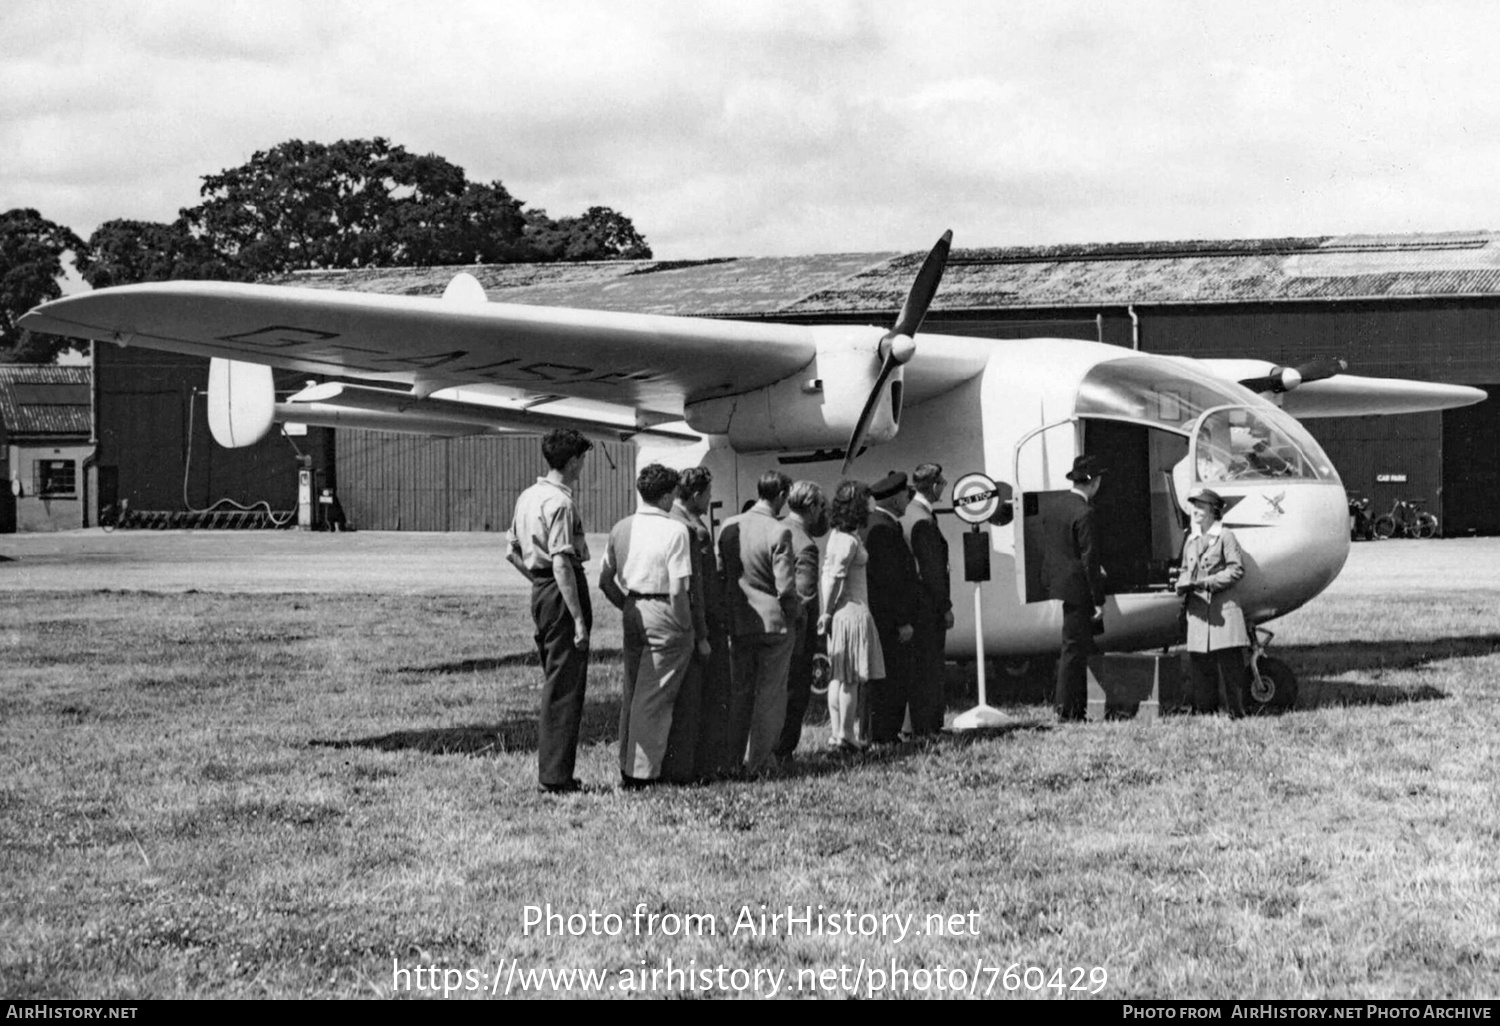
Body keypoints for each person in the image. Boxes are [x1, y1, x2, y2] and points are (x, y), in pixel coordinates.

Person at [506, 428, 594, 793]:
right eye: (582, 460)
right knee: (565, 685)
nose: (583, 466)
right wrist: (576, 617)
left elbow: (512, 550)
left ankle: (554, 770)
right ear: (573, 461)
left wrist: (539, 583)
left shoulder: (528, 496)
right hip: (560, 588)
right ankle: (556, 776)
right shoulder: (560, 502)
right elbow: (561, 561)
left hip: (542, 590)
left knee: (555, 678)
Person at [599, 463, 696, 788]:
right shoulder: (675, 531)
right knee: (654, 698)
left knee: (634, 689)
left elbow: (605, 580)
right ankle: (641, 773)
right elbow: (679, 588)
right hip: (664, 608)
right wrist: (686, 625)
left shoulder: (621, 527)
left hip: (633, 606)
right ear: (667, 495)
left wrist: (626, 604)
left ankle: (628, 762)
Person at [718, 471, 797, 775]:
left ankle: (731, 759)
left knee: (740, 693)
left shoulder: (729, 526)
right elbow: (786, 587)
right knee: (769, 694)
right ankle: (761, 762)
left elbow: (722, 574)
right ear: (781, 496)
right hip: (774, 624)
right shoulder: (778, 531)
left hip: (740, 622)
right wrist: (793, 616)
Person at [661, 466, 718, 783]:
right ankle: (690, 766)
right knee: (695, 699)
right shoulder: (691, 530)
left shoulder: (671, 521)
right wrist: (702, 634)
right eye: (708, 493)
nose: (711, 499)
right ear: (696, 495)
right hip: (697, 619)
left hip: (672, 617)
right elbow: (696, 587)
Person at [817, 480, 884, 750]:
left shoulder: (837, 535)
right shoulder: (848, 540)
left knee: (839, 676)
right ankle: (846, 734)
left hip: (842, 613)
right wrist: (826, 612)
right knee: (851, 678)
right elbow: (834, 579)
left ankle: (837, 732)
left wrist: (827, 612)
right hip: (852, 611)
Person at [1041, 454, 1107, 723]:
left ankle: (1071, 706)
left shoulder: (1056, 507)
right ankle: (1068, 709)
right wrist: (1098, 598)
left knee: (1075, 647)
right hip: (1079, 589)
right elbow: (1088, 558)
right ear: (1093, 483)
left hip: (1060, 584)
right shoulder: (1085, 512)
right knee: (1073, 650)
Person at [864, 471, 928, 743]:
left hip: (884, 619)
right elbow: (891, 581)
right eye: (905, 495)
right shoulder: (883, 529)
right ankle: (885, 734)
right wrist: (902, 620)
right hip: (890, 621)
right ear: (893, 499)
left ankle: (884, 732)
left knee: (887, 677)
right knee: (893, 678)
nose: (908, 499)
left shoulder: (877, 523)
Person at [1175, 487, 1249, 718]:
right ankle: (1206, 711)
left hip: (1222, 610)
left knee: (1230, 665)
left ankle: (1237, 712)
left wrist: (1207, 583)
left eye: (1200, 507)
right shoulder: (1191, 539)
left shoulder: (1226, 536)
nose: (1195, 511)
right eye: (1194, 506)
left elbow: (1236, 569)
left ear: (1212, 511)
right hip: (1198, 610)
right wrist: (1183, 582)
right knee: (1200, 665)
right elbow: (1186, 569)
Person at [774, 480, 828, 763]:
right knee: (794, 693)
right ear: (811, 507)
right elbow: (804, 596)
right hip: (795, 632)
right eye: (820, 506)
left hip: (768, 625)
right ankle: (783, 750)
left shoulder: (774, 528)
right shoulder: (806, 544)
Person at [905, 463, 952, 736]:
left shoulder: (911, 514)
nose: (944, 486)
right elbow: (933, 570)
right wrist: (945, 607)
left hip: (916, 604)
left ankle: (922, 723)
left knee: (920, 665)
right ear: (934, 486)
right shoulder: (922, 520)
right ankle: (928, 724)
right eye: (942, 483)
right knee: (930, 666)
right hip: (928, 606)